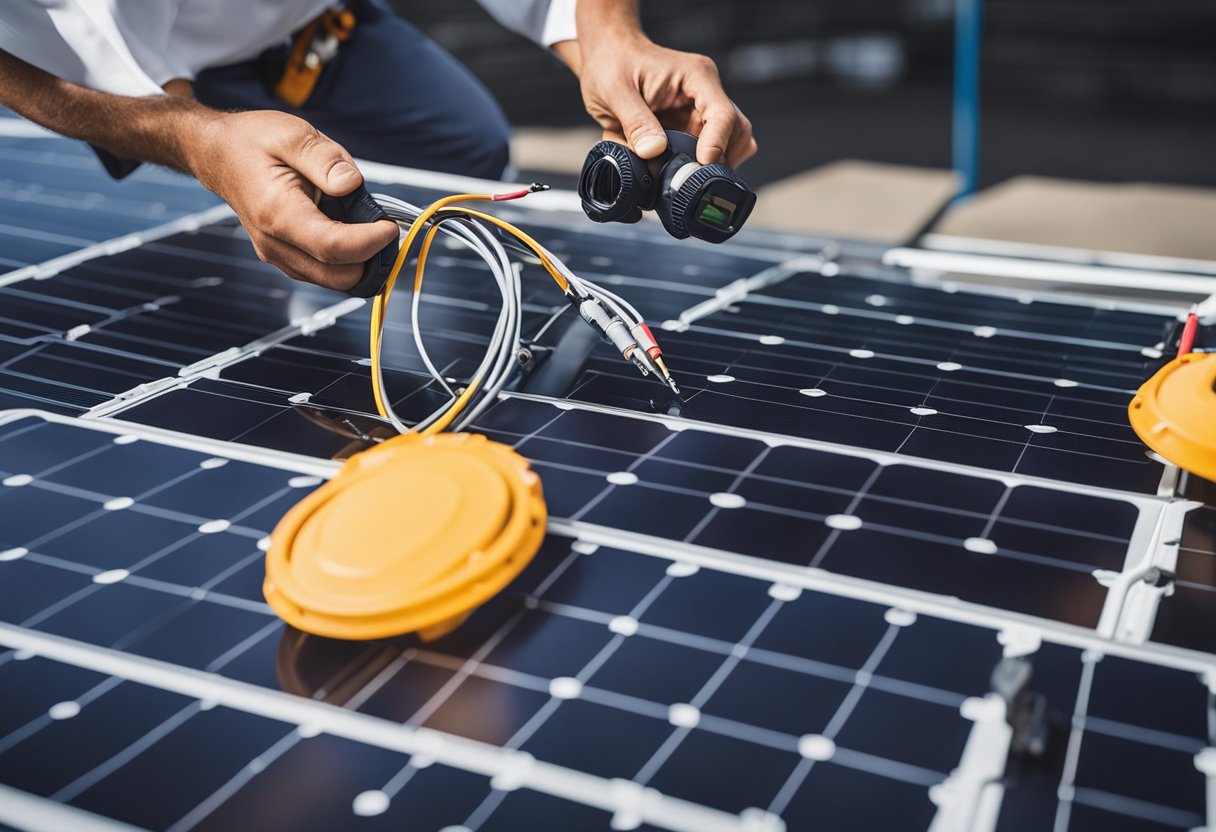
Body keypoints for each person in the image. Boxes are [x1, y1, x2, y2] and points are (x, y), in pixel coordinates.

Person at [0, 0, 756, 292]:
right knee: (296, 232)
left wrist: (607, 33)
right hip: (128, 70)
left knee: (468, 143)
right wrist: (199, 141)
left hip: (318, 30)